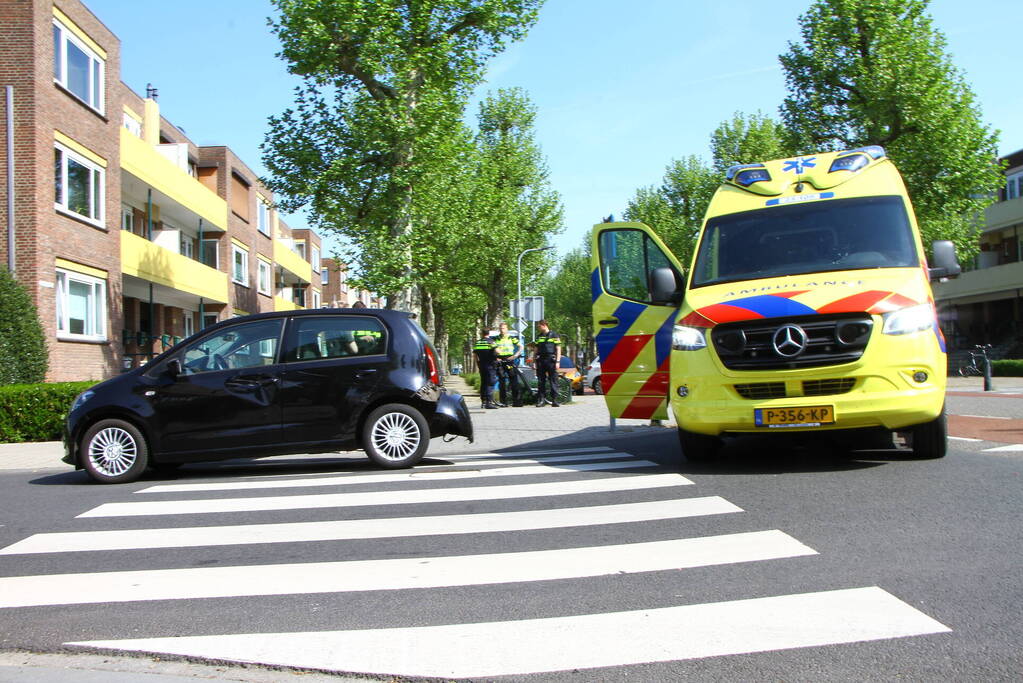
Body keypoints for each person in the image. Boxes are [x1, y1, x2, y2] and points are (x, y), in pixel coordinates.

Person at [492, 322, 523, 407]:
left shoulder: (511, 338)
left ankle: (517, 402)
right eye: (500, 328)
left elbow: (521, 346)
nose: (502, 330)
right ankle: (503, 402)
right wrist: (495, 357)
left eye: (503, 328)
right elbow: (492, 349)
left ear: (507, 329)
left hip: (509, 359)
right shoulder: (495, 338)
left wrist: (515, 355)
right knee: (501, 381)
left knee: (514, 380)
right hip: (500, 360)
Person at [532, 319, 561, 407]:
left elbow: (558, 348)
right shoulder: (539, 336)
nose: (538, 328)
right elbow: (535, 350)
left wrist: (558, 361)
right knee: (541, 381)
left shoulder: (554, 335)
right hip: (541, 360)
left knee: (553, 380)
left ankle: (555, 400)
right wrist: (534, 362)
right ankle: (541, 400)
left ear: (544, 325)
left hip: (551, 359)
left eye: (539, 326)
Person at [472, 328, 500, 409]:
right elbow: (498, 351)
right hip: (490, 364)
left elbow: (475, 355)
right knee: (490, 383)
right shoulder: (491, 341)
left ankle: (483, 402)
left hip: (482, 365)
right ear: (489, 333)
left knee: (483, 383)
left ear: (482, 333)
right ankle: (489, 402)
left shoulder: (478, 342)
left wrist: (478, 363)